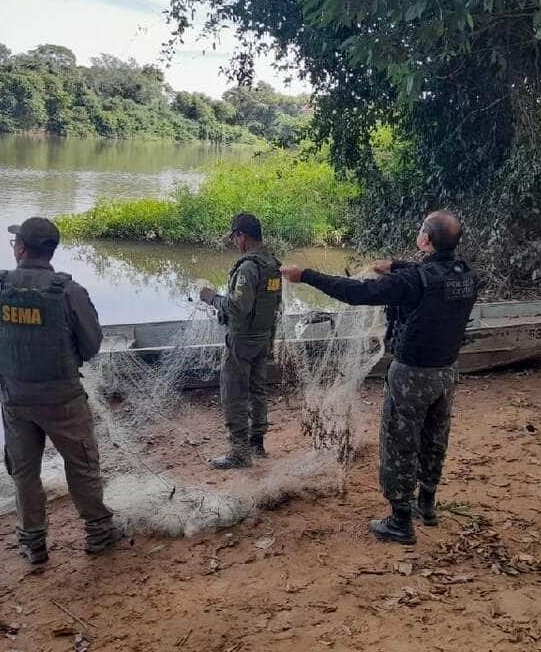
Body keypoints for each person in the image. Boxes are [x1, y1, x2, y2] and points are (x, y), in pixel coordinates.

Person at [280, 211, 477, 545]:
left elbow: (357, 293)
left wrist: (306, 275)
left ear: (425, 240)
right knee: (434, 437)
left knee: (399, 443)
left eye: (421, 230)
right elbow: (430, 274)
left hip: (411, 374)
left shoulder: (414, 282)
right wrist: (396, 265)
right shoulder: (466, 275)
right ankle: (426, 505)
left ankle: (400, 522)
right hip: (446, 373)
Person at [0, 217, 123, 563]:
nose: (13, 248)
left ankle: (33, 543)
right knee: (82, 466)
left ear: (22, 249)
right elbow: (90, 348)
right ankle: (99, 534)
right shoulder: (68, 291)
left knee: (25, 473)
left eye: (15, 242)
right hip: (63, 400)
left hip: (15, 400)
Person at [199, 213, 283, 469]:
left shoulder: (248, 267)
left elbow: (238, 308)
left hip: (242, 340)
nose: (234, 243)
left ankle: (239, 452)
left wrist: (212, 298)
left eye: (234, 237)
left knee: (234, 391)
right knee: (258, 389)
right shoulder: (271, 263)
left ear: (242, 236)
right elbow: (272, 304)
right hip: (263, 337)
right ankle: (257, 443)